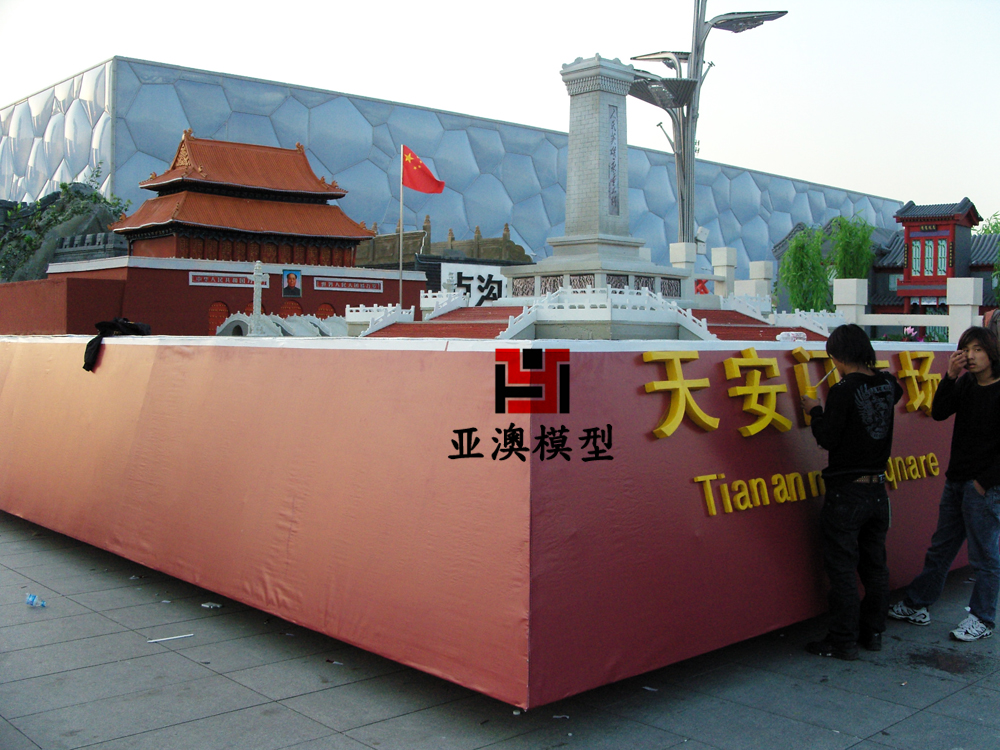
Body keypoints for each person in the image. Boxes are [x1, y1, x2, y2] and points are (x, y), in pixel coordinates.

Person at [888, 326, 1000, 641]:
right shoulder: (966, 383)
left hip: (984, 487)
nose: (971, 356)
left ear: (991, 352)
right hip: (957, 480)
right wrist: (950, 376)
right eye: (966, 349)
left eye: (978, 349)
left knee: (984, 556)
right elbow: (939, 412)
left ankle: (982, 618)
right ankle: (917, 604)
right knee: (942, 547)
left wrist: (983, 483)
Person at [801, 324, 903, 660]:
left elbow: (828, 438)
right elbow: (895, 391)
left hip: (847, 492)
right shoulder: (887, 383)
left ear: (838, 358)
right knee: (875, 566)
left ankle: (842, 640)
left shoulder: (843, 390)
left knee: (842, 567)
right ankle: (872, 632)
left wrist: (814, 410)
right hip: (878, 491)